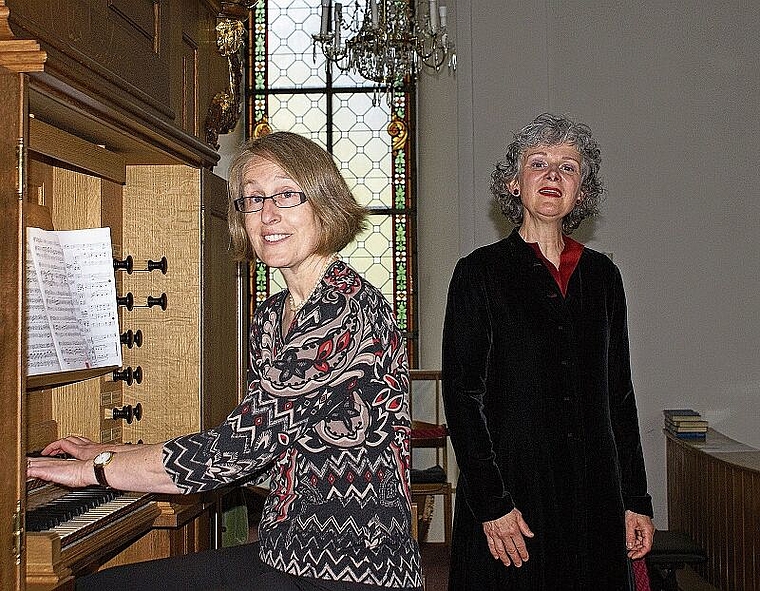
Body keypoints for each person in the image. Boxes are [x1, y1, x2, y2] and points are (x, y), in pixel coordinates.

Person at [27, 131, 423, 591]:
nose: (267, 215)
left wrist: (96, 471)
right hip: (288, 550)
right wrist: (114, 452)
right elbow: (265, 442)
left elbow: (241, 449)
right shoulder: (274, 316)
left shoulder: (344, 307)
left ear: (324, 203)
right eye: (252, 199)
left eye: (286, 195)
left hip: (351, 567)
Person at [441, 113, 654, 590]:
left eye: (569, 167)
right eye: (539, 164)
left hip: (594, 497)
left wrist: (635, 498)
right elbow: (462, 397)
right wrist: (492, 505)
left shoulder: (603, 277)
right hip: (512, 495)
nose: (554, 175)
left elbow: (619, 394)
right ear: (515, 185)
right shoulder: (479, 274)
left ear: (582, 191)